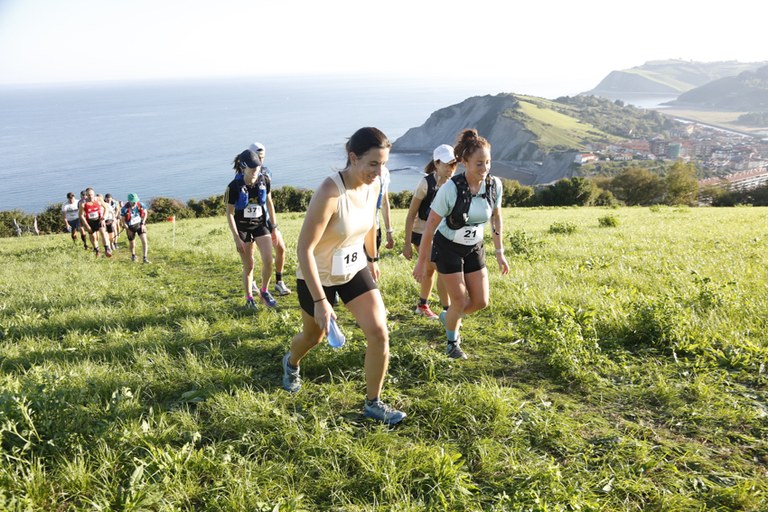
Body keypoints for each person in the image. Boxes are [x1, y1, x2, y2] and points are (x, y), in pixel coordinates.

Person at [281, 127, 406, 425]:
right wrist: (321, 301)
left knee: (379, 332)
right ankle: (291, 362)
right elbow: (304, 249)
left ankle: (373, 403)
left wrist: (372, 258)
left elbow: (370, 224)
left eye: (383, 164)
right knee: (313, 337)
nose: (379, 171)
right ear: (353, 157)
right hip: (318, 275)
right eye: (373, 163)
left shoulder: (375, 184)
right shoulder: (330, 191)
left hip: (353, 268)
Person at [413, 129, 510, 359]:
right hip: (447, 247)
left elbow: (496, 218)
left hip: (474, 246)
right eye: (479, 163)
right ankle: (452, 343)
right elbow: (429, 227)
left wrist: (500, 252)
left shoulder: (494, 185)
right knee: (458, 300)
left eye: (488, 162)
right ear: (464, 162)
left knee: (481, 301)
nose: (484, 168)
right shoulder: (450, 189)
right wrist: (421, 262)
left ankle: (449, 318)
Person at [403, 144, 458, 319]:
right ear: (436, 164)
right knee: (440, 267)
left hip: (441, 234)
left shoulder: (453, 184)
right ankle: (448, 311)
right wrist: (407, 243)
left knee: (430, 270)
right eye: (447, 164)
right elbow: (411, 215)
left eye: (453, 164)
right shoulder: (425, 183)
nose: (451, 168)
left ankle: (423, 306)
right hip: (420, 233)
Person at [225, 149, 280, 309]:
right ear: (243, 167)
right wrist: (237, 238)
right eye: (252, 167)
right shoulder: (233, 186)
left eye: (257, 166)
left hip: (260, 224)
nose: (256, 170)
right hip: (242, 228)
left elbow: (269, 203)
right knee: (249, 265)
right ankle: (249, 298)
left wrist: (274, 227)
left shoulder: (264, 180)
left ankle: (264, 292)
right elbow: (229, 213)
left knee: (268, 261)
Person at [248, 142, 291, 297]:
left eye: (263, 157)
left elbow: (269, 200)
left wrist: (274, 225)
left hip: (266, 219)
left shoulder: (267, 173)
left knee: (281, 248)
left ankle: (279, 282)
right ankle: (252, 282)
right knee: (251, 254)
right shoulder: (243, 174)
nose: (261, 160)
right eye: (258, 157)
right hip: (250, 222)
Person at [78, 187, 112, 257]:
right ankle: (97, 250)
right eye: (89, 195)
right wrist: (86, 225)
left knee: (103, 232)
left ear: (94, 194)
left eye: (92, 195)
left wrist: (103, 218)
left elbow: (106, 208)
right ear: (86, 195)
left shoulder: (99, 199)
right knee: (93, 237)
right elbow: (81, 215)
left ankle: (107, 249)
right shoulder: (83, 203)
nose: (90, 196)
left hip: (99, 220)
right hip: (90, 222)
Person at [120, 193, 150, 263]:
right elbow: (123, 220)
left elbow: (145, 213)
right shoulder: (124, 209)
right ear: (129, 201)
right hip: (130, 227)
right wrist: (127, 228)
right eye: (133, 202)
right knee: (132, 243)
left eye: (136, 201)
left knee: (144, 241)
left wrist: (143, 223)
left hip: (139, 225)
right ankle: (133, 255)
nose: (135, 203)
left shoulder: (141, 205)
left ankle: (145, 258)